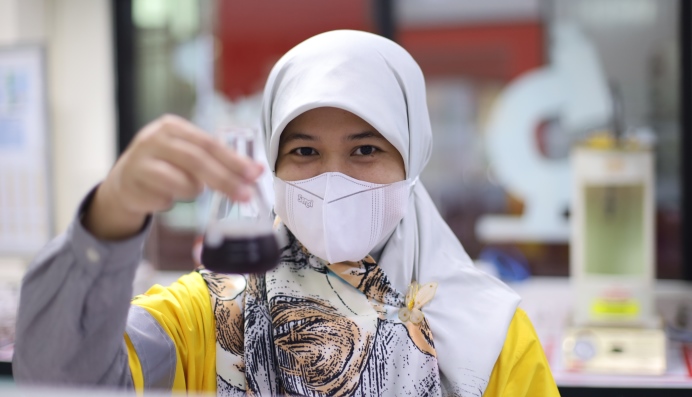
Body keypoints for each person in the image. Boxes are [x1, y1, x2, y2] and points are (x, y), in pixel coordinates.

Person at [13, 30, 559, 396]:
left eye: (365, 150)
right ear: (272, 164)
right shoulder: (205, 314)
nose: (332, 176)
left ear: (411, 158)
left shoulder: (489, 337)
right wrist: (111, 216)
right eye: (303, 152)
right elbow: (59, 377)